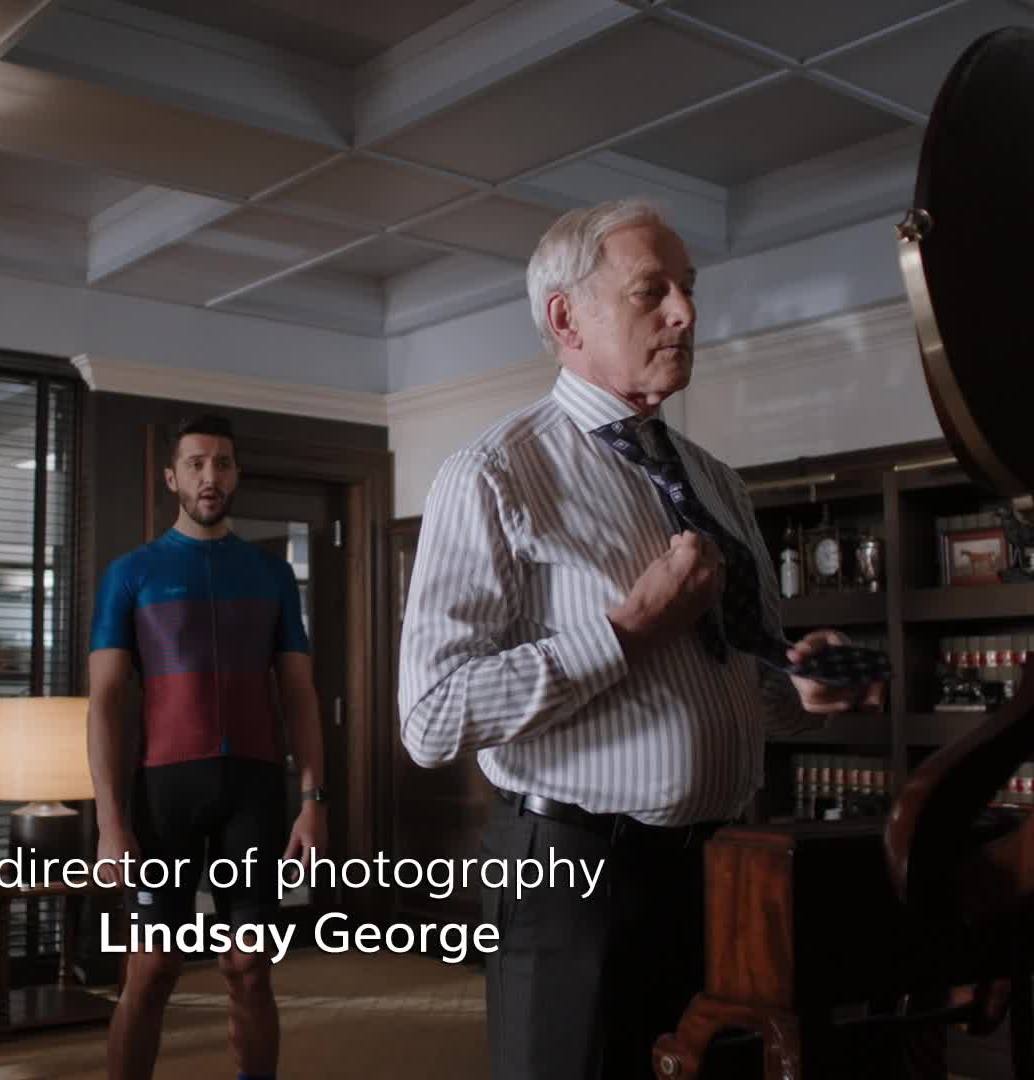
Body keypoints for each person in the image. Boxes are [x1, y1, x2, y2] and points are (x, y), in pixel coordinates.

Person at [396, 200, 887, 1080]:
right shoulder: (494, 473)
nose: (686, 313)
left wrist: (802, 695)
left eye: (688, 289)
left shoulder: (717, 484)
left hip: (722, 872)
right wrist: (626, 632)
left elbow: (735, 680)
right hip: (574, 876)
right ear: (566, 318)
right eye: (651, 291)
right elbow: (430, 718)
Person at [87, 413, 329, 1080]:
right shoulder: (131, 574)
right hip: (164, 791)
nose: (210, 476)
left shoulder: (271, 574)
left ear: (236, 474)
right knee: (152, 966)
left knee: (250, 966)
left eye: (222, 463)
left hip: (253, 790)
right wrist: (109, 823)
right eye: (195, 464)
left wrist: (313, 799)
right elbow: (104, 702)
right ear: (172, 477)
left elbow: (300, 694)